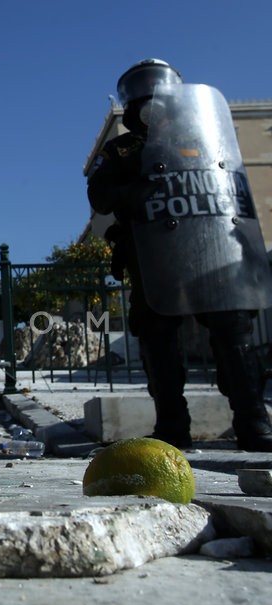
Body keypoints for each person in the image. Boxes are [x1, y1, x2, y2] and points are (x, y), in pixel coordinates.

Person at [87, 58, 272, 452]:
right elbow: (99, 196)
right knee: (157, 336)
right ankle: (172, 428)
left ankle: (254, 421)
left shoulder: (204, 135)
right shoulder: (122, 149)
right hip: (153, 256)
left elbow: (230, 186)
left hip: (213, 252)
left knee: (233, 331)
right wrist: (133, 188)